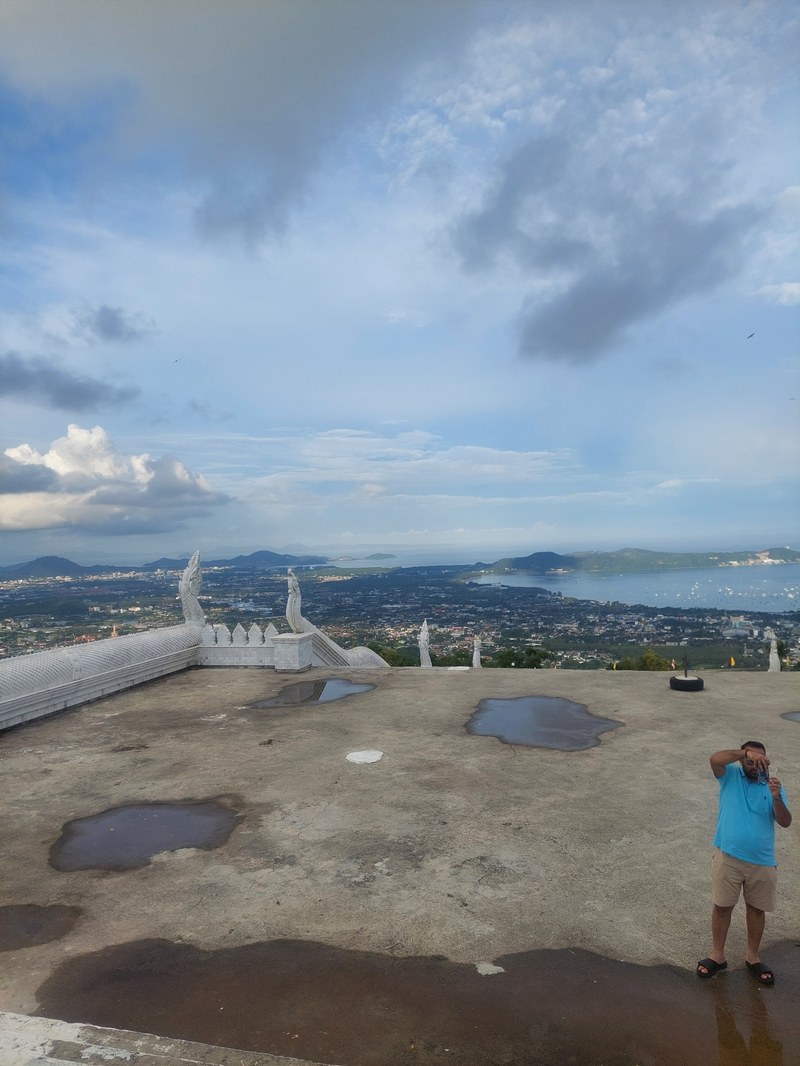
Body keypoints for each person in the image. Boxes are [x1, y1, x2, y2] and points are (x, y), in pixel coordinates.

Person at [697, 741, 791, 985]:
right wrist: (745, 753)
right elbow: (714, 758)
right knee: (722, 906)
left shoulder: (773, 786)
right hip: (728, 856)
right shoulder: (730, 776)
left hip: (762, 861)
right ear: (742, 761)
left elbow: (785, 822)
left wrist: (777, 798)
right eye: (750, 761)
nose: (754, 766)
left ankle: (753, 956)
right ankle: (717, 956)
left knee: (756, 909)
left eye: (760, 761)